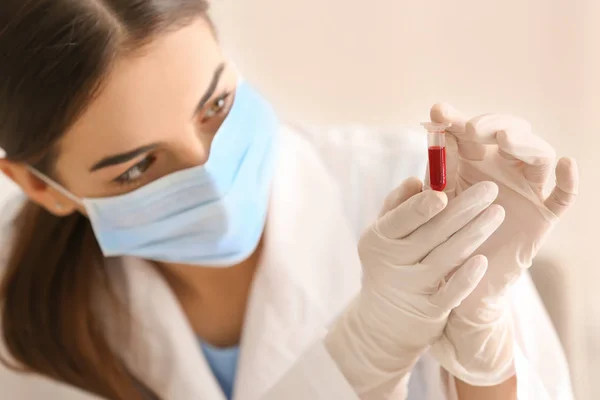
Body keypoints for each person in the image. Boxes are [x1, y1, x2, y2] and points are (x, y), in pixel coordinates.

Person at [0, 1, 578, 399]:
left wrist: (485, 358)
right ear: (38, 186)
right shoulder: (17, 305)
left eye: (216, 107)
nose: (210, 174)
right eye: (137, 168)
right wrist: (363, 356)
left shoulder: (416, 193)